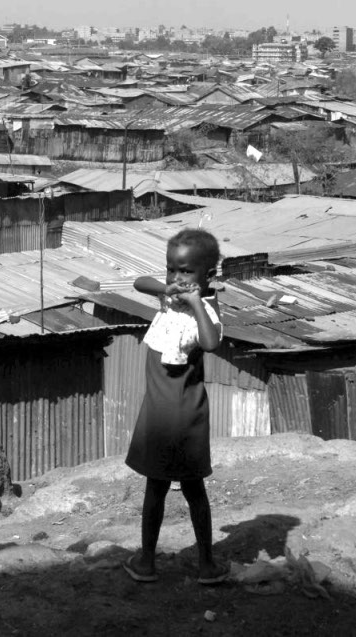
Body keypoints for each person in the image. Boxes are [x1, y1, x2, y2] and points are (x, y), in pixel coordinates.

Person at [123, 228, 229, 585]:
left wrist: (197, 303)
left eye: (186, 272)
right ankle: (153, 562)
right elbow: (139, 282)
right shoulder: (168, 299)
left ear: (208, 276)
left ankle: (199, 564)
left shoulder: (207, 313)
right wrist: (165, 288)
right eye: (172, 269)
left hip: (183, 416)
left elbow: (212, 343)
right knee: (158, 488)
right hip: (159, 412)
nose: (177, 279)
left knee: (191, 489)